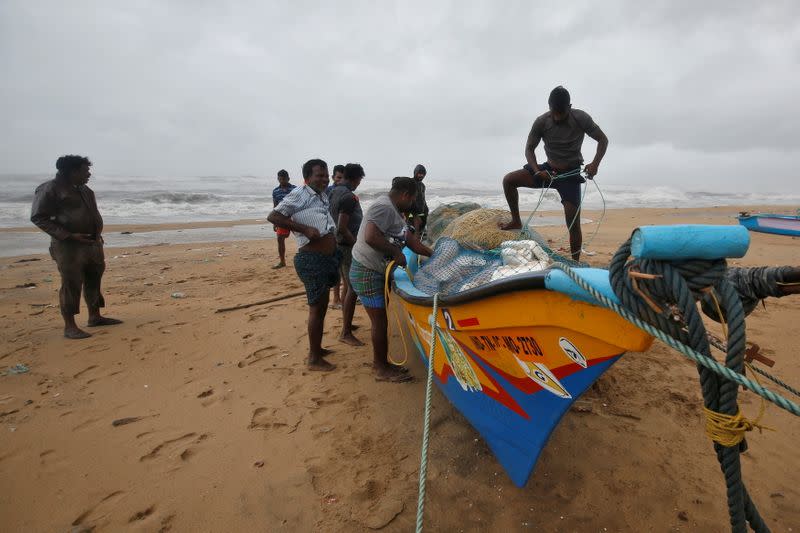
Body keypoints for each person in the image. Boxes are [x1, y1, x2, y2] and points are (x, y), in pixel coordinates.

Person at [499, 85, 608, 261]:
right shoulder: (542, 121)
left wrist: (595, 164)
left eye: (561, 113)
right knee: (508, 180)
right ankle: (516, 220)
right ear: (549, 107)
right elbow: (529, 149)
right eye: (554, 112)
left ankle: (575, 262)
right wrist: (537, 171)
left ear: (569, 107)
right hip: (547, 172)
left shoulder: (581, 118)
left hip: (570, 175)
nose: (557, 117)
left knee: (573, 224)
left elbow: (603, 139)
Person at [350, 177, 433, 382]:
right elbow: (370, 236)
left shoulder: (394, 210)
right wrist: (395, 252)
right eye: (412, 199)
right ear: (405, 195)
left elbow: (411, 240)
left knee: (381, 319)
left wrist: (433, 254)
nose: (413, 203)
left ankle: (381, 363)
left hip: (376, 270)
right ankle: (380, 368)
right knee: (379, 322)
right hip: (367, 271)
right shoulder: (384, 207)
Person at [30, 155, 122, 339]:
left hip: (93, 244)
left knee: (94, 278)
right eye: (85, 170)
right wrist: (68, 235)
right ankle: (70, 326)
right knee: (71, 283)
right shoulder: (50, 189)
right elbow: (39, 217)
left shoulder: (85, 190)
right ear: (72, 171)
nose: (89, 174)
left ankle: (95, 317)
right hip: (69, 247)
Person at [268, 159, 339, 372]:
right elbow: (273, 215)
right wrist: (304, 228)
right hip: (311, 260)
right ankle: (314, 359)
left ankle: (317, 348)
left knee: (323, 306)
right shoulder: (300, 193)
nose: (325, 179)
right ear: (307, 177)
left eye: (326, 175)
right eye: (320, 175)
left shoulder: (321, 195)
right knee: (316, 309)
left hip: (325, 259)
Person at [329, 163, 365, 346]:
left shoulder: (334, 191)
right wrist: (357, 244)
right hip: (348, 246)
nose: (359, 183)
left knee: (346, 286)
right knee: (352, 288)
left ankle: (347, 323)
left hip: (339, 244)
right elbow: (342, 227)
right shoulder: (349, 197)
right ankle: (346, 332)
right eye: (359, 179)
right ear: (355, 178)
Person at [327, 164, 346, 308]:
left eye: (343, 178)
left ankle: (343, 297)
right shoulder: (329, 192)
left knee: (344, 269)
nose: (340, 180)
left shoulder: (344, 192)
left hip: (341, 234)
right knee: (336, 268)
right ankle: (336, 299)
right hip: (332, 235)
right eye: (338, 177)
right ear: (333, 177)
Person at [271, 169, 296, 269]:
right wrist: (274, 222)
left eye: (284, 179)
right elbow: (275, 206)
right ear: (278, 179)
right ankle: (282, 261)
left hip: (295, 217)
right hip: (282, 218)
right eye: (280, 179)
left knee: (302, 237)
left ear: (288, 178)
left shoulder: (295, 189)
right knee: (280, 239)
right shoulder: (275, 191)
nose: (282, 181)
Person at [409, 164, 429, 237]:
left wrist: (426, 209)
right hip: (411, 214)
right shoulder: (410, 183)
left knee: (421, 231)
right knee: (412, 231)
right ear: (415, 172)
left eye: (423, 174)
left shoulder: (423, 185)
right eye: (419, 173)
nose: (421, 175)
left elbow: (423, 198)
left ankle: (420, 235)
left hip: (422, 212)